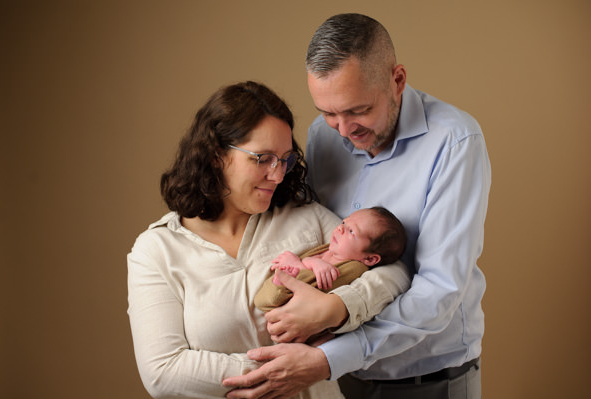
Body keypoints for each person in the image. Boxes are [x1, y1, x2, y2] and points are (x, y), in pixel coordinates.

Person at [223, 13, 491, 399]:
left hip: (427, 382)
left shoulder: (455, 142)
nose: (344, 131)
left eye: (358, 111)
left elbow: (439, 290)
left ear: (397, 80)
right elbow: (312, 235)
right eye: (329, 113)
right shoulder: (322, 137)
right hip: (338, 382)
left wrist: (331, 357)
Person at [127, 80, 411, 399]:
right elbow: (164, 372)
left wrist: (338, 307)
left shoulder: (310, 218)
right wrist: (291, 369)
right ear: (216, 155)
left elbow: (395, 272)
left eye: (285, 160)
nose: (278, 175)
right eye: (262, 159)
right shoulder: (156, 252)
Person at [254, 206, 407, 312]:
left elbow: (316, 290)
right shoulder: (330, 250)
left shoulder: (355, 268)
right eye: (344, 222)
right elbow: (307, 263)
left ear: (370, 259)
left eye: (351, 231)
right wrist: (308, 262)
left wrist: (298, 267)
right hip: (274, 300)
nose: (340, 228)